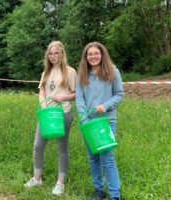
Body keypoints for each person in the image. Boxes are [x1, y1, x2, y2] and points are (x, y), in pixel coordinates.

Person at [24, 41, 77, 196]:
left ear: (62, 54)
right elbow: (41, 90)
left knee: (62, 148)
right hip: (46, 115)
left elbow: (76, 93)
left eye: (57, 53)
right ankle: (37, 178)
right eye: (51, 53)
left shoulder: (70, 72)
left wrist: (64, 96)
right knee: (38, 146)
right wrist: (43, 104)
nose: (54, 56)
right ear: (48, 55)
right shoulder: (46, 72)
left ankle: (60, 183)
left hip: (63, 114)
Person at [76, 42, 123, 200]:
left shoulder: (113, 72)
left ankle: (115, 195)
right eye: (90, 54)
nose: (93, 56)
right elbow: (79, 99)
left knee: (107, 158)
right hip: (89, 123)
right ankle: (99, 190)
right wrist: (84, 119)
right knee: (93, 157)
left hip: (106, 122)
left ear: (102, 55)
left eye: (96, 53)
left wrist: (106, 105)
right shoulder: (82, 74)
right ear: (86, 57)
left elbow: (119, 94)